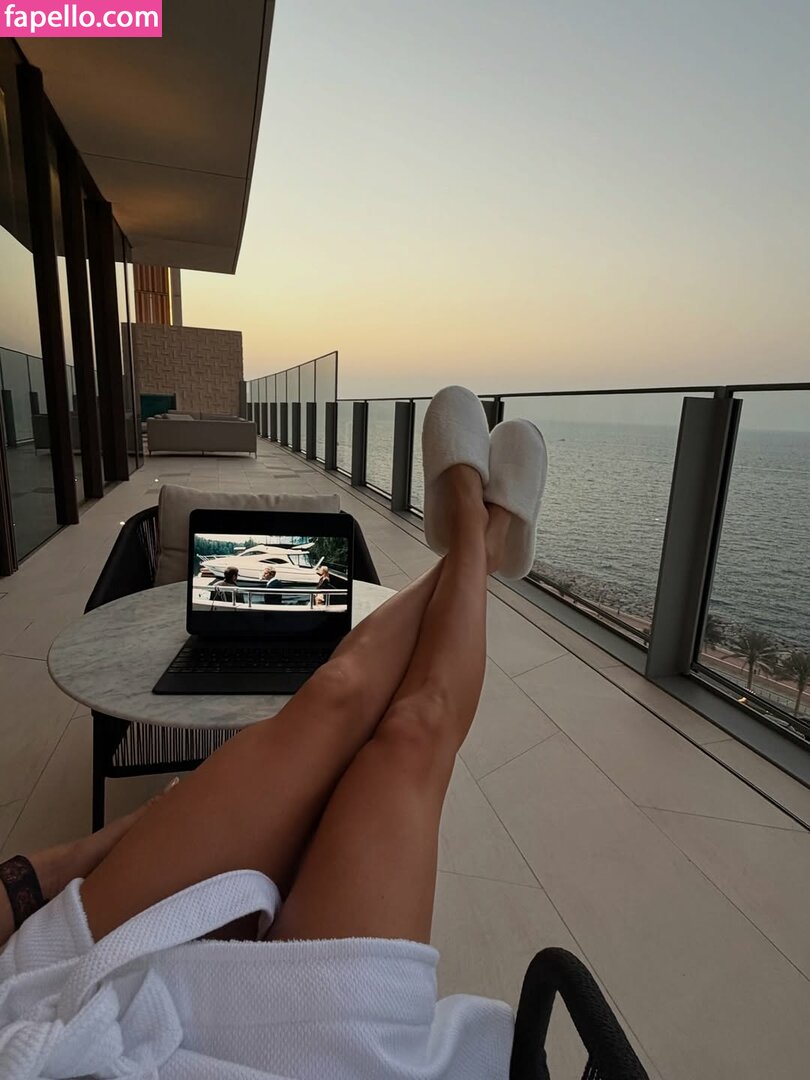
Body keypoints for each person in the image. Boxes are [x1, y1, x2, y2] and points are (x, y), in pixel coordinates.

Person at [0, 386, 547, 1079]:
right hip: (276, 1063)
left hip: (51, 985)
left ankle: (472, 540)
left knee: (332, 690)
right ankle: (480, 540)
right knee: (415, 732)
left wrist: (74, 859)